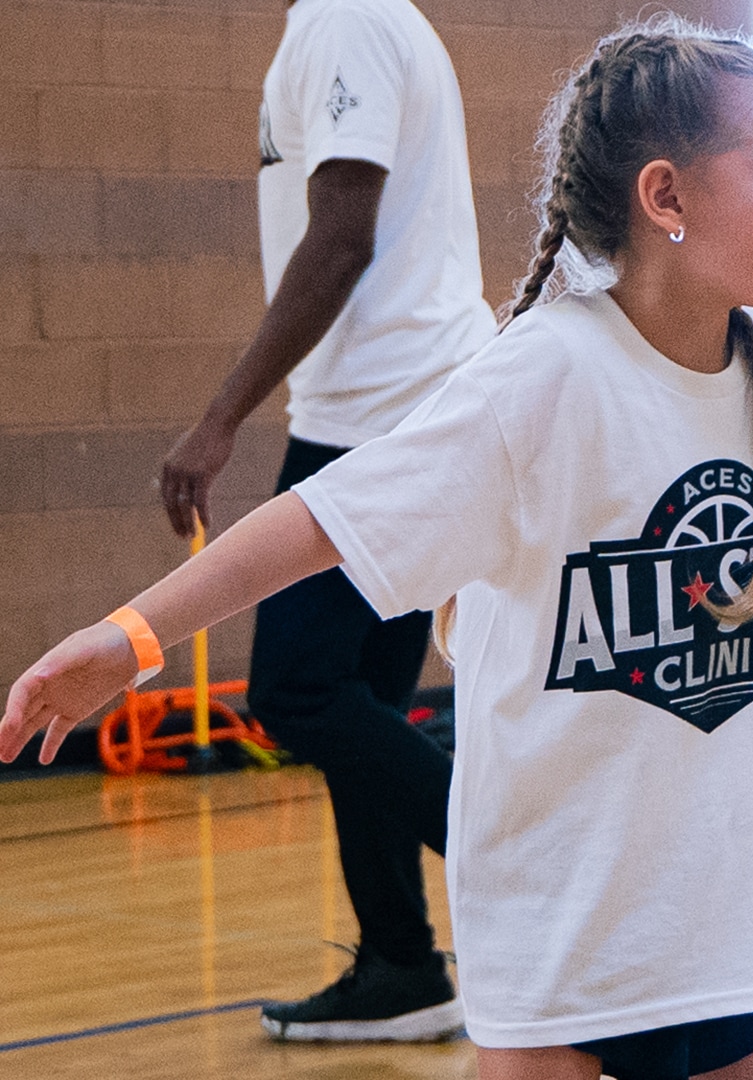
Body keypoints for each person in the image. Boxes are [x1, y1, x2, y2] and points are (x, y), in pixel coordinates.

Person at [0, 16, 753, 1080]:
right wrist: (134, 634)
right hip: (558, 930)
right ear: (666, 195)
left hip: (725, 925)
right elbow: (322, 521)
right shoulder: (540, 380)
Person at [154, 0, 496, 1043]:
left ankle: (528, 873)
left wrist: (219, 420)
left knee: (298, 690)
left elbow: (343, 236)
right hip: (400, 406)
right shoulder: (351, 20)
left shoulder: (351, 17)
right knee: (363, 705)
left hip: (387, 416)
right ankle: (401, 960)